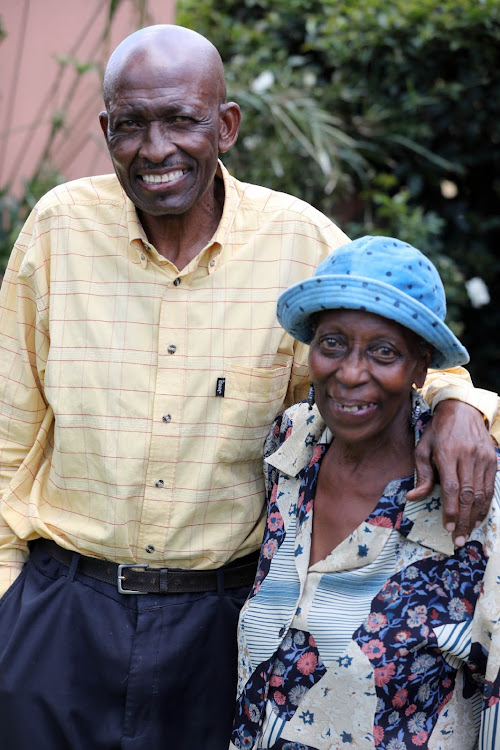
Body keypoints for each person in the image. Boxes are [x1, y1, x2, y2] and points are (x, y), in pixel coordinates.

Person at [0, 24, 497, 750]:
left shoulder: (298, 242)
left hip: (217, 626)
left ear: (225, 126)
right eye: (131, 124)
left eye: (181, 120)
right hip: (60, 613)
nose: (155, 147)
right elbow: (8, 433)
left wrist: (460, 407)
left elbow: (402, 345)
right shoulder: (57, 230)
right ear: (106, 130)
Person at [231, 235, 500, 750]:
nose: (351, 373)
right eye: (332, 343)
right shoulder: (291, 446)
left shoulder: (474, 496)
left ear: (423, 367)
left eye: (384, 352)